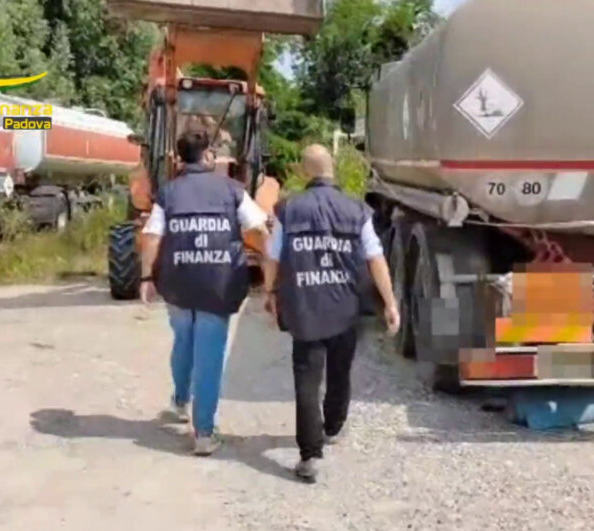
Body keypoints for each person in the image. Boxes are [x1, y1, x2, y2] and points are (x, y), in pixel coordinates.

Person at [261, 144, 400, 483]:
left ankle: (310, 455)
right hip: (344, 305)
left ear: (304, 172)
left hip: (305, 305)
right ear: (332, 168)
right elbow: (375, 258)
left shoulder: (289, 209)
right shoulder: (357, 210)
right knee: (340, 370)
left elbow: (272, 256)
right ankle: (333, 426)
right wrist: (390, 302)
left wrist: (269, 292)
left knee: (307, 380)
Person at [140, 130, 269, 457]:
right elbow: (258, 228)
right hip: (218, 284)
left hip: (178, 283)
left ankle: (181, 400)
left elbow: (152, 236)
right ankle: (204, 433)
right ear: (208, 155)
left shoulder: (168, 193)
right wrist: (271, 271)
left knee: (183, 340)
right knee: (209, 355)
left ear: (180, 158)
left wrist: (146, 277)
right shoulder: (232, 190)